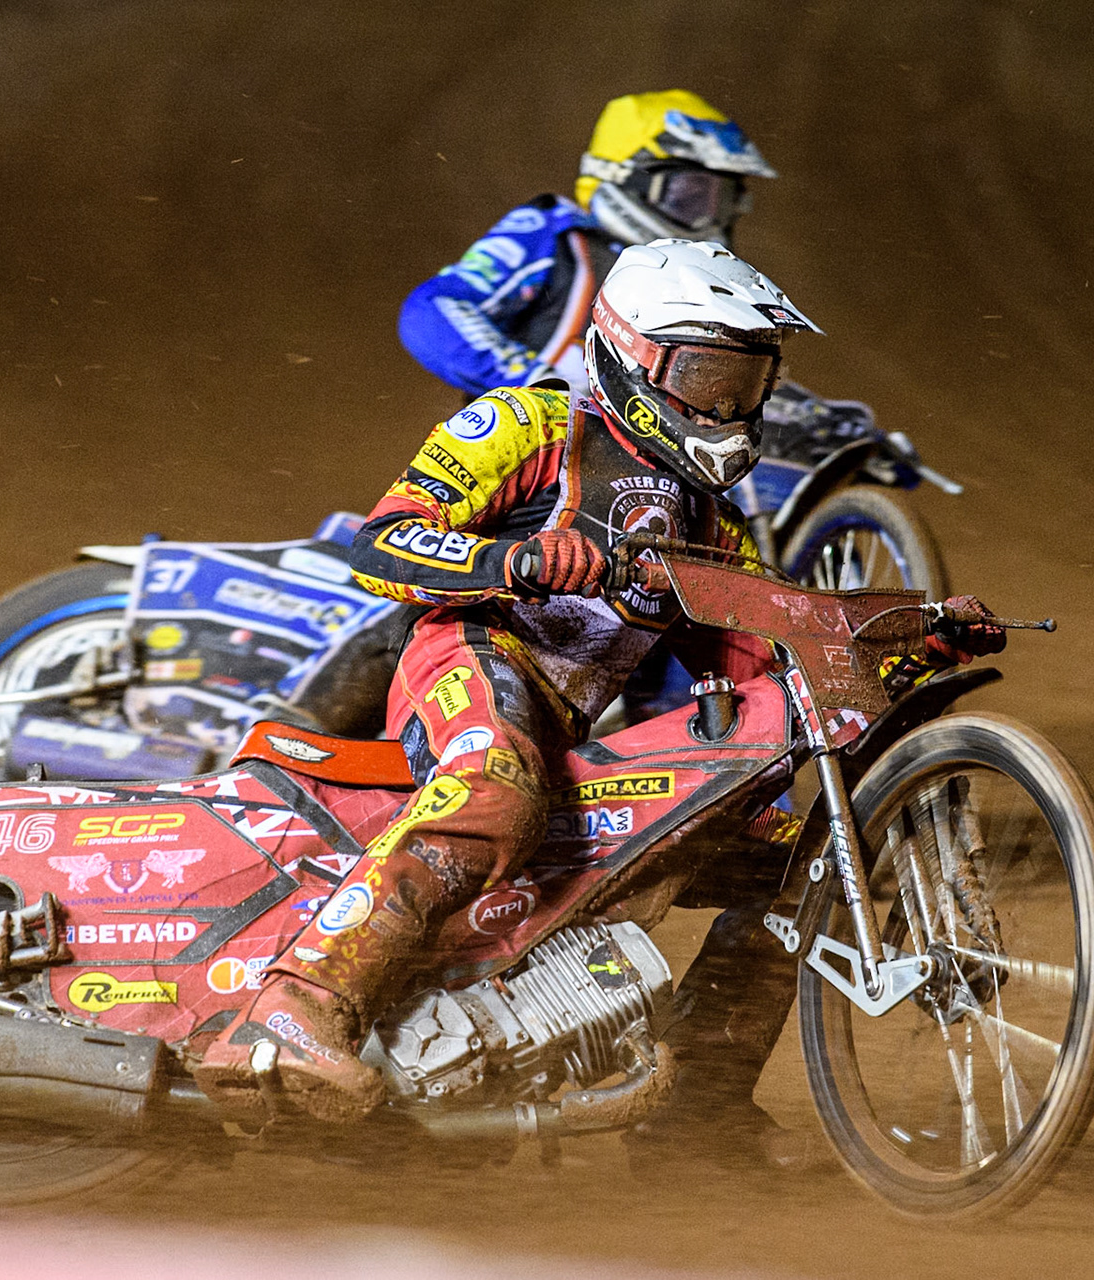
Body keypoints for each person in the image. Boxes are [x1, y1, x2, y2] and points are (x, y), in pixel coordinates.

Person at [196, 240, 1006, 1158]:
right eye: (704, 374)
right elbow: (382, 546)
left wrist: (909, 631)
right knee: (497, 786)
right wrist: (514, 559)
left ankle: (693, 1106)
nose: (726, 409)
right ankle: (290, 1008)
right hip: (469, 653)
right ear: (627, 353)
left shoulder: (712, 524)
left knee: (804, 868)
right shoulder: (527, 424)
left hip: (573, 731)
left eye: (745, 382)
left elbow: (770, 648)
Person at [396, 88, 867, 459]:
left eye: (724, 203)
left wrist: (821, 422)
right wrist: (535, 379)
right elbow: (432, 311)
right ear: (629, 178)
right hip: (534, 459)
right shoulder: (554, 233)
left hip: (648, 467)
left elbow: (725, 368)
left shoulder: (697, 276)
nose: (713, 221)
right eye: (692, 195)